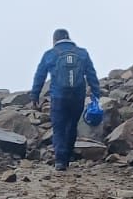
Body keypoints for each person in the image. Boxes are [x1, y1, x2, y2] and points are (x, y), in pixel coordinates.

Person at [31, 28, 100, 171]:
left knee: (59, 127)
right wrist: (96, 93)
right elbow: (91, 74)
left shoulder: (50, 54)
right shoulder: (82, 53)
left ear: (54, 40)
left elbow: (40, 76)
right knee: (72, 125)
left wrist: (35, 95)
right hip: (78, 96)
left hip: (58, 96)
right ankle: (68, 156)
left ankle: (60, 161)